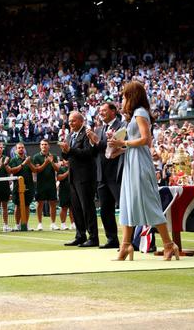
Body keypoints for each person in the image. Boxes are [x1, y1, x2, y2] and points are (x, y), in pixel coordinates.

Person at [108, 81, 180, 261]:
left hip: (140, 164)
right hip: (132, 162)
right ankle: (125, 246)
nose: (123, 99)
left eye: (125, 95)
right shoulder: (133, 116)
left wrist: (122, 143)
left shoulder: (140, 113)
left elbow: (146, 140)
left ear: (131, 96)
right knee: (128, 202)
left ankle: (169, 245)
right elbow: (136, 143)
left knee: (148, 202)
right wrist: (121, 150)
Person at [86, 102, 126, 249]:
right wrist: (92, 142)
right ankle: (112, 239)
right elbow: (96, 152)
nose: (101, 112)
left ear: (114, 111)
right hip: (102, 175)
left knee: (125, 207)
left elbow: (114, 146)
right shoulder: (99, 129)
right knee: (105, 210)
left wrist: (97, 140)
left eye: (104, 110)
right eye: (100, 110)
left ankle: (133, 239)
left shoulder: (122, 126)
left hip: (117, 174)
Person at [59, 111, 99, 247]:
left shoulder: (87, 134)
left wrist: (69, 150)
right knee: (76, 208)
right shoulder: (70, 135)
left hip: (85, 176)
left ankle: (93, 237)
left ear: (81, 121)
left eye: (73, 121)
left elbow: (89, 153)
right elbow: (66, 156)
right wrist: (65, 151)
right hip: (73, 176)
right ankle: (80, 235)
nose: (70, 123)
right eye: (69, 121)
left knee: (87, 207)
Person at [31, 140, 60, 231]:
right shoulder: (36, 157)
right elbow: (37, 170)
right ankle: (39, 224)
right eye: (42, 144)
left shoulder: (54, 156)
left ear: (49, 146)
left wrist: (51, 162)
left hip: (51, 184)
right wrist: (46, 162)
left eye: (45, 144)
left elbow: (57, 169)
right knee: (39, 204)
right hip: (40, 184)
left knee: (53, 204)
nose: (44, 146)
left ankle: (53, 223)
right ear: (40, 146)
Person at [7, 143, 34, 231]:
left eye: (22, 147)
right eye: (19, 148)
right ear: (16, 150)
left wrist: (29, 163)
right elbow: (12, 171)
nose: (21, 149)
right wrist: (23, 164)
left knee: (27, 205)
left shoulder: (29, 159)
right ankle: (17, 224)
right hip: (17, 186)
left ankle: (25, 224)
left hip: (29, 185)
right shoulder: (13, 160)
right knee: (18, 206)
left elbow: (35, 170)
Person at [57, 160, 74, 230]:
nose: (68, 161)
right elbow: (59, 178)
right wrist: (68, 172)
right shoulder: (61, 169)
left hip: (73, 191)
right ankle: (63, 224)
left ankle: (73, 223)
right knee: (64, 207)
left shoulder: (74, 168)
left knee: (73, 208)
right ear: (63, 161)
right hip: (63, 191)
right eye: (66, 160)